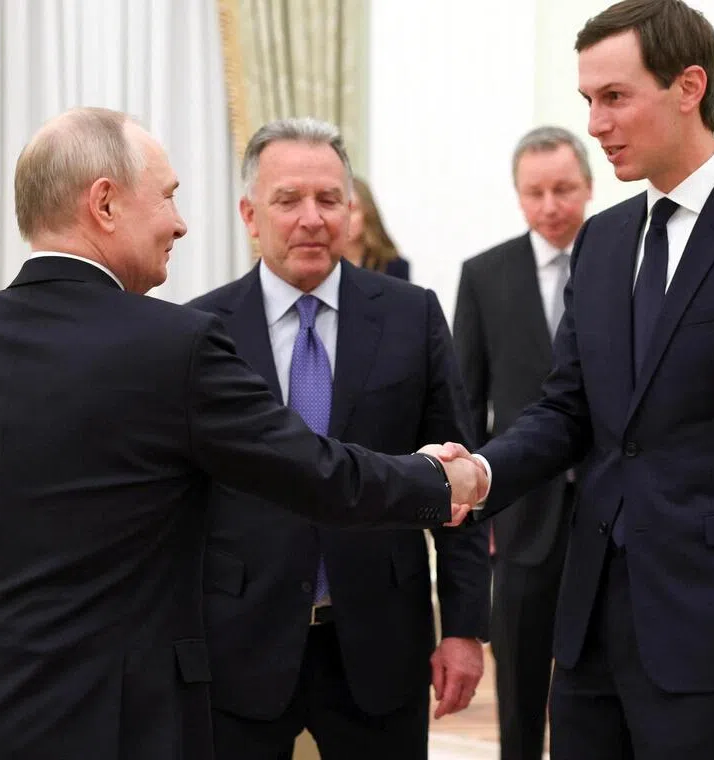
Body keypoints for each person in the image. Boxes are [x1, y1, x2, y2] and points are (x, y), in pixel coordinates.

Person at [0, 107, 486, 760]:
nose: (180, 222)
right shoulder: (173, 345)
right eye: (168, 197)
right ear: (105, 203)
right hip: (109, 726)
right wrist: (443, 478)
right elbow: (316, 472)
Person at [430, 1, 714, 758]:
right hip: (590, 632)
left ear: (689, 85)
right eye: (588, 102)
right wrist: (481, 471)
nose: (595, 124)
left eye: (615, 97)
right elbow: (568, 409)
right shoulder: (603, 238)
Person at [188, 117, 490, 760]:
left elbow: (458, 474)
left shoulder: (412, 315)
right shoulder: (198, 332)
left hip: (380, 640)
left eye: (329, 199)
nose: (311, 218)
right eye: (288, 199)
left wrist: (464, 628)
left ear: (351, 210)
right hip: (239, 642)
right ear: (250, 213)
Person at [453, 125, 593, 760]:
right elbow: (466, 403)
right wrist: (478, 506)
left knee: (596, 682)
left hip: (608, 508)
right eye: (535, 192)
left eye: (563, 189)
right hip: (520, 516)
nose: (551, 205)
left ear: (588, 186)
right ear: (518, 196)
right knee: (520, 676)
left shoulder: (623, 258)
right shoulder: (484, 276)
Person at [344, 177, 410, 280]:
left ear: (368, 213)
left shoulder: (393, 266)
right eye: (338, 209)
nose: (345, 218)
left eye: (352, 209)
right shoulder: (322, 264)